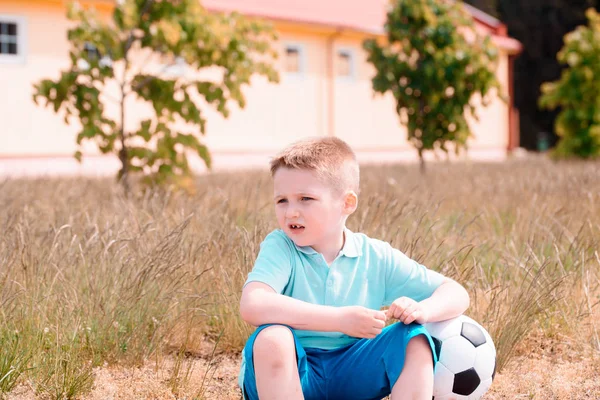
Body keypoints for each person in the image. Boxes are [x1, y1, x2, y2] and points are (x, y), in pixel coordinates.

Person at [238, 137, 470, 400]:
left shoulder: (375, 256)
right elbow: (252, 304)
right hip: (292, 375)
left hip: (353, 371)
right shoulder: (281, 246)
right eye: (282, 201)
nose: (291, 212)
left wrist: (422, 310)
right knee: (273, 338)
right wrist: (339, 319)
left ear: (347, 203)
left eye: (305, 198)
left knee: (413, 337)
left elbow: (456, 292)